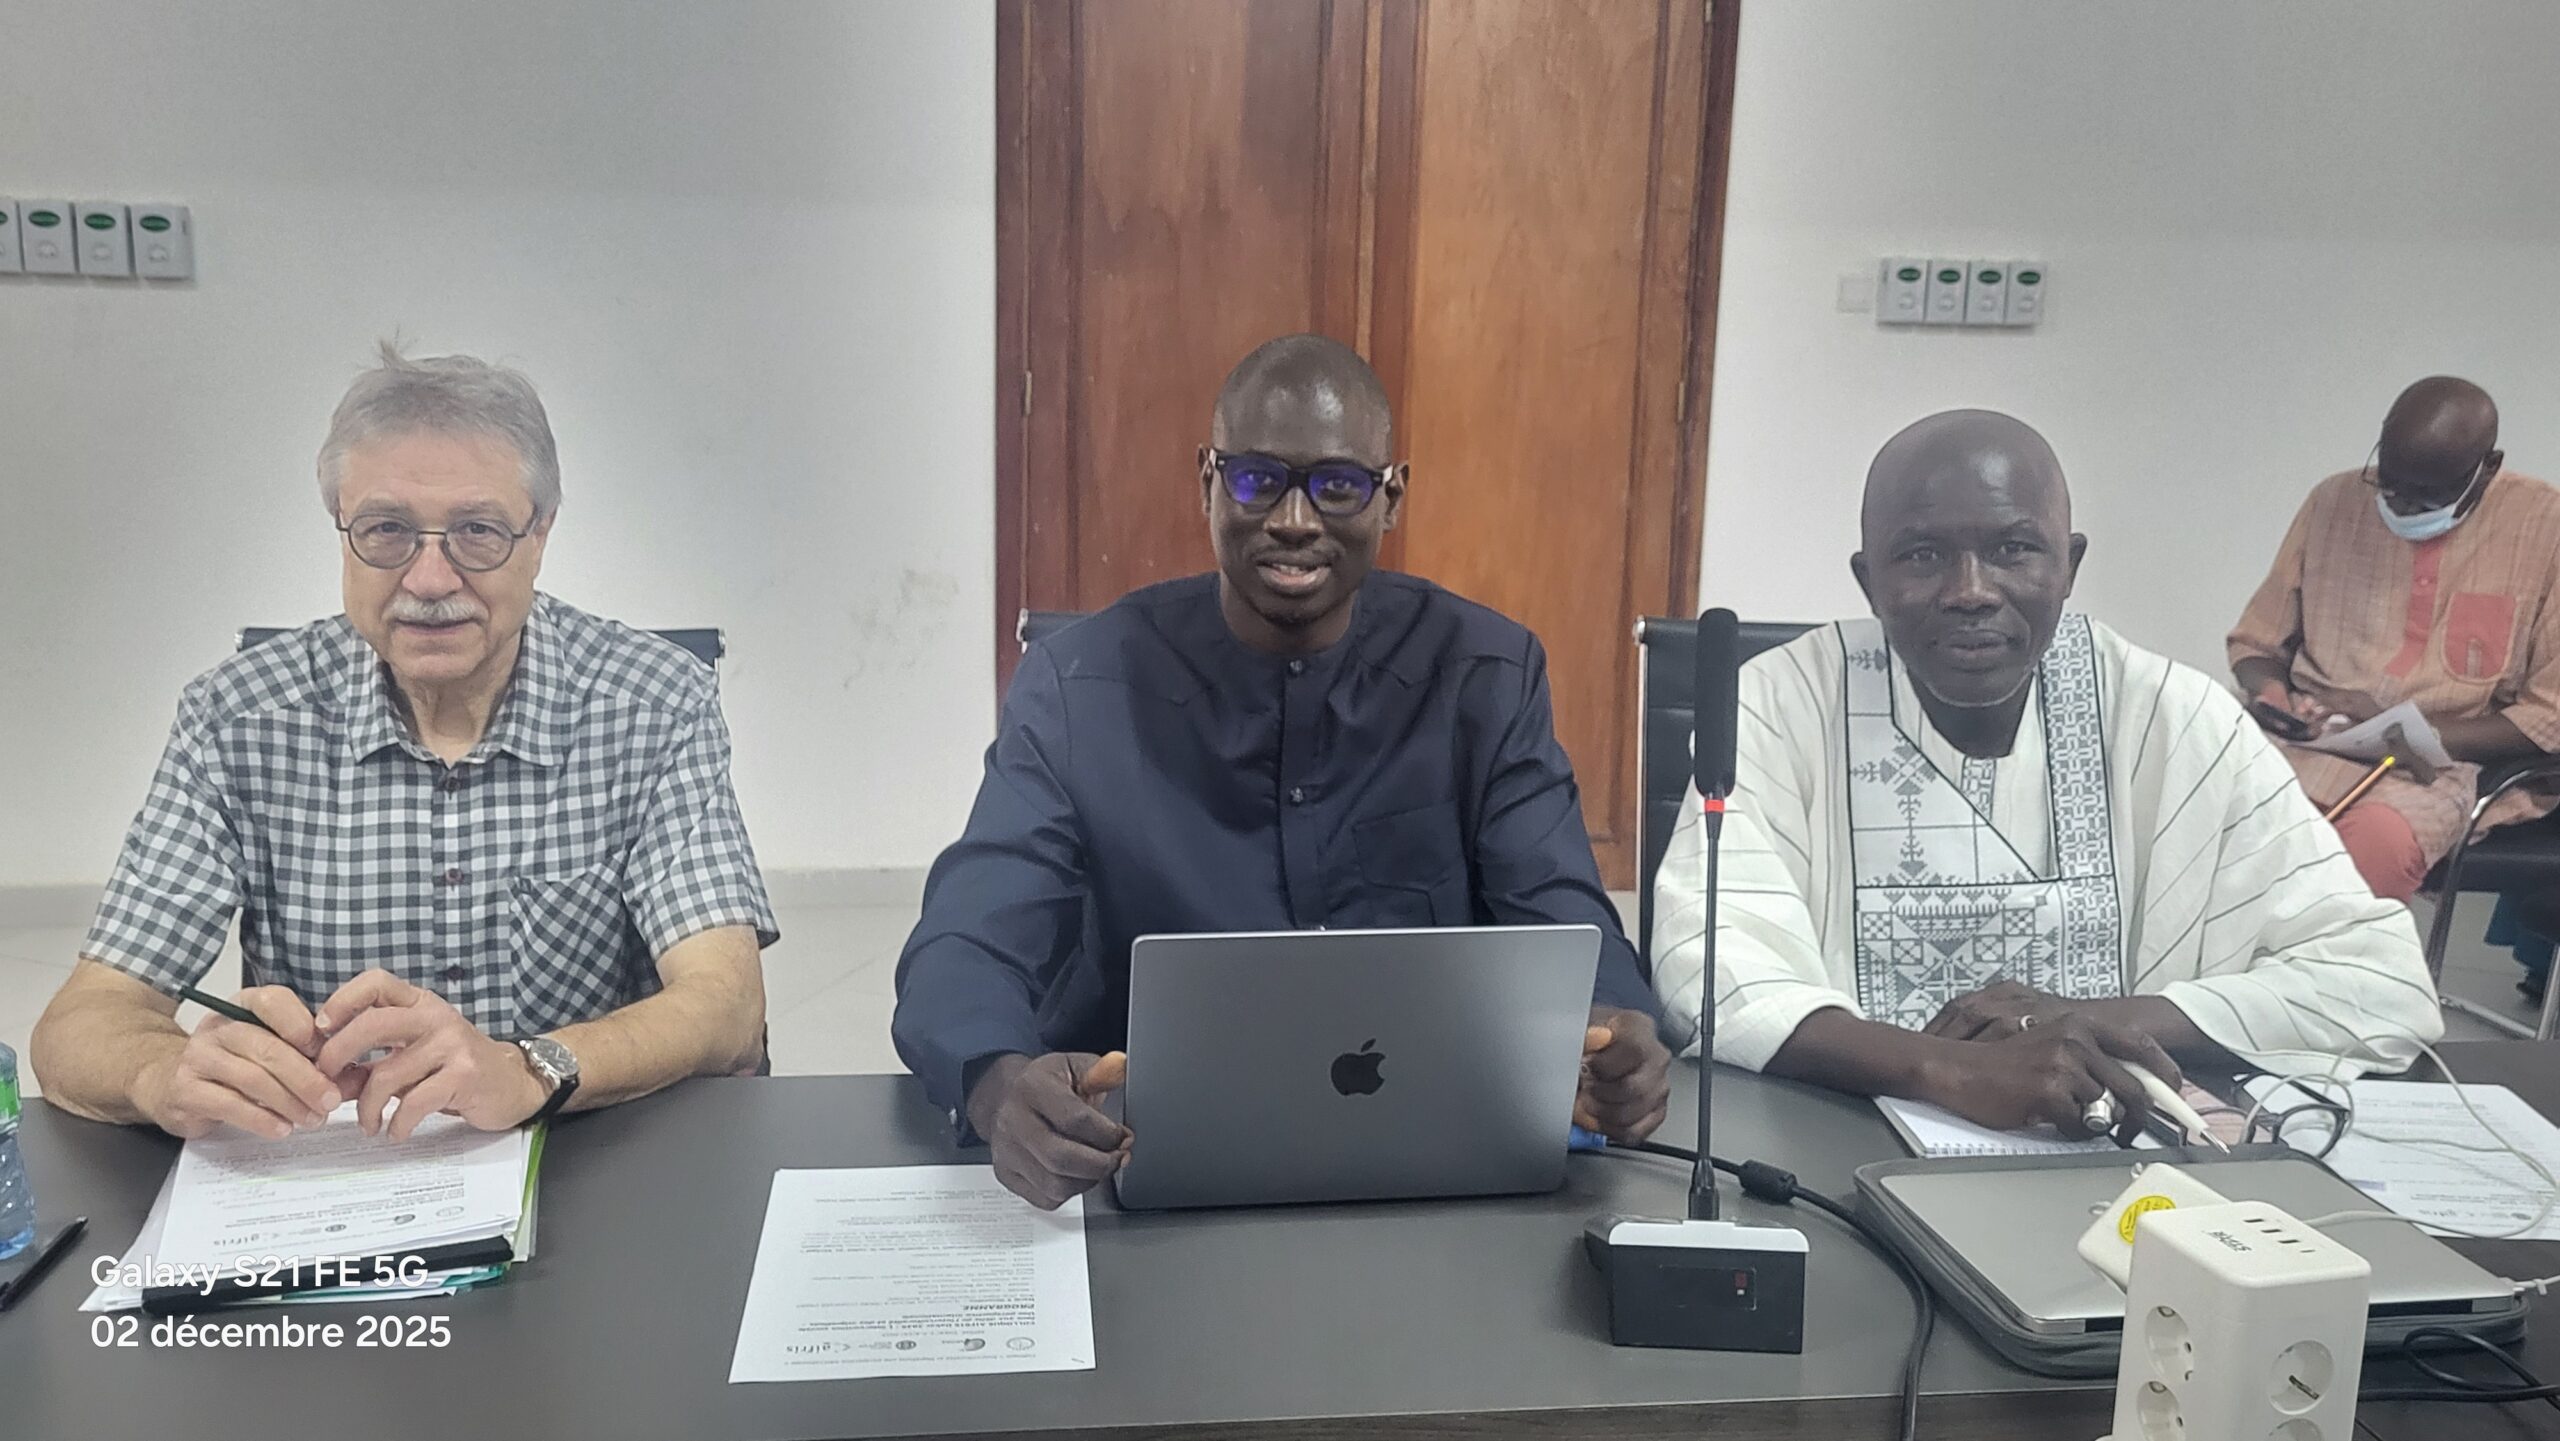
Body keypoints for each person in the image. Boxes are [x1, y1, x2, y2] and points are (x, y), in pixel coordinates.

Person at [893, 334, 1669, 1209]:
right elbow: (965, 942)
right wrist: (997, 1085)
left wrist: (1617, 1028)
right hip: (1143, 1174)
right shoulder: (1079, 686)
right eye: (1257, 478)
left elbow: (1568, 919)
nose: (1294, 519)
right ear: (1207, 481)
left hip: (1438, 1173)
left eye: (1338, 485)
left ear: (1391, 497)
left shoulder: (1485, 677)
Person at [30, 343, 777, 1143]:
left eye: (478, 531)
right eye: (386, 530)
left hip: (588, 1143)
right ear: (340, 530)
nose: (429, 579)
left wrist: (529, 1069)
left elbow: (727, 1005)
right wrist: (161, 1072)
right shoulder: (237, 720)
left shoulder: (654, 704)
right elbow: (82, 1022)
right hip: (339, 1165)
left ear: (541, 534)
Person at [1652, 410, 2440, 1141]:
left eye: (2013, 549)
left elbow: (2380, 980)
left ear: (2069, 564)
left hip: (2129, 1169)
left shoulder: (2171, 717)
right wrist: (1944, 1068)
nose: (1970, 590)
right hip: (1835, 1143)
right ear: (1868, 580)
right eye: (1922, 555)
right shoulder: (1780, 705)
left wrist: (2089, 1022)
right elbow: (1712, 974)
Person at [2230, 376, 2560, 907]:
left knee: (2367, 856)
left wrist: (2408, 730)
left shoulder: (2547, 527)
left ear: (2488, 468)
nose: (2402, 508)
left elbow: (2549, 716)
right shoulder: (2333, 502)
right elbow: (2256, 643)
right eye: (2389, 486)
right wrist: (2274, 699)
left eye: (2426, 496)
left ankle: (2322, 966)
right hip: (2302, 744)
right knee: (2216, 830)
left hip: (2438, 769)